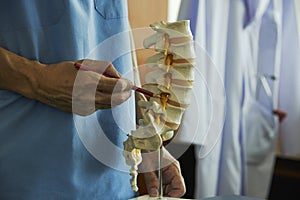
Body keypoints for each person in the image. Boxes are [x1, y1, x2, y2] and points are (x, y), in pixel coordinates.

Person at [0, 1, 185, 199]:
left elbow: (115, 23)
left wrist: (146, 134)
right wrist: (38, 79)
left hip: (115, 183)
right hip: (23, 173)